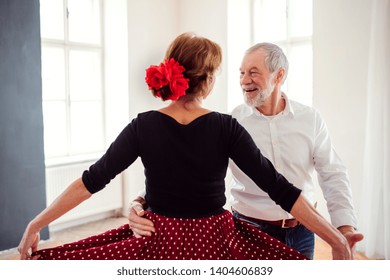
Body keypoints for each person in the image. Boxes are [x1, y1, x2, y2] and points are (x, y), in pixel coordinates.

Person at [18, 33, 351, 260]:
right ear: (206, 80)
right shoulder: (226, 126)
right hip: (214, 240)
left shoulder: (143, 124)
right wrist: (335, 237)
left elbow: (92, 180)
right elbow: (280, 188)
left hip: (158, 239)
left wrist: (36, 223)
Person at [128, 42, 364, 259]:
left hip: (301, 232)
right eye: (241, 73)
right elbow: (184, 169)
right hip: (249, 231)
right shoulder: (232, 123)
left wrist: (344, 230)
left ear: (279, 75)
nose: (244, 80)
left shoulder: (310, 119)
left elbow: (332, 173)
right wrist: (141, 200)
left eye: (253, 72)